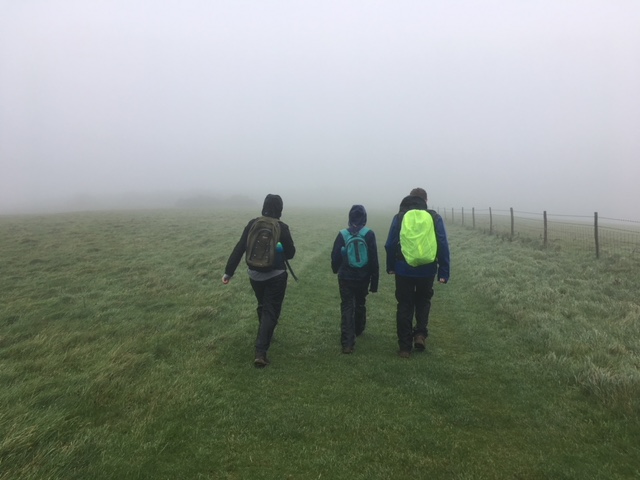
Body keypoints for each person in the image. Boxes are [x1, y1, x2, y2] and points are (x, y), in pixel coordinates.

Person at [222, 194, 296, 368]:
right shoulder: (281, 227)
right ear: (280, 209)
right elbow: (291, 254)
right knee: (271, 311)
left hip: (254, 275)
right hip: (276, 275)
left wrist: (228, 272)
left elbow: (240, 247)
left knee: (263, 305)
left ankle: (265, 331)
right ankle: (261, 352)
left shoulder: (252, 223)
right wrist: (280, 249)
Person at [384, 188, 450, 358]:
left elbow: (390, 244)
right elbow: (442, 243)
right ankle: (420, 334)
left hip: (403, 268)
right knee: (423, 301)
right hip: (427, 269)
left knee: (405, 304)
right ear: (425, 200)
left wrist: (391, 266)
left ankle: (405, 347)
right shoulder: (434, 217)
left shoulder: (399, 217)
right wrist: (443, 271)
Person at [331, 205, 379, 354]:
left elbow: (335, 256)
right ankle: (358, 329)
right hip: (363, 276)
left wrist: (335, 269)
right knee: (360, 302)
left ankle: (347, 342)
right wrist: (374, 282)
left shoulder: (343, 234)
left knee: (347, 306)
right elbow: (374, 260)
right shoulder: (369, 234)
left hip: (345, 276)